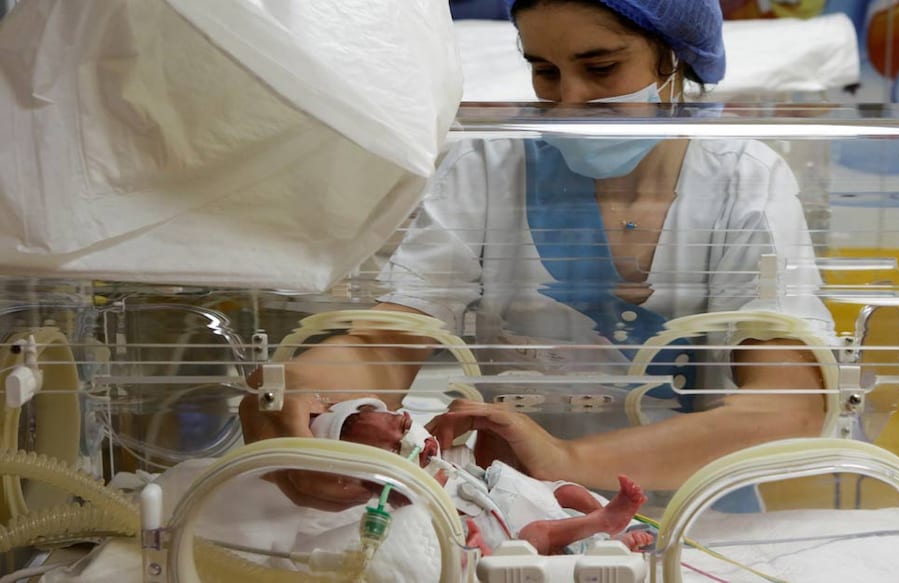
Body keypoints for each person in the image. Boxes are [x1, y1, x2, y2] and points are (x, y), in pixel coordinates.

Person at [240, 0, 834, 512]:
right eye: (544, 73)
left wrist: (565, 458)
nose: (570, 102)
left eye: (601, 69)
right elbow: (390, 339)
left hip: (701, 512)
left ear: (675, 61)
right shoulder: (491, 168)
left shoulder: (742, 179)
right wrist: (299, 390)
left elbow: (790, 410)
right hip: (514, 507)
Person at [313, 397, 656, 555]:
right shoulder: (408, 499)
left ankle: (609, 528)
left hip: (524, 496)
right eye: (393, 452)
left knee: (564, 491)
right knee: (539, 535)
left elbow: (490, 464)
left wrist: (480, 422)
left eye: (404, 427)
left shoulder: (451, 458)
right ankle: (604, 526)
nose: (409, 443)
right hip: (520, 541)